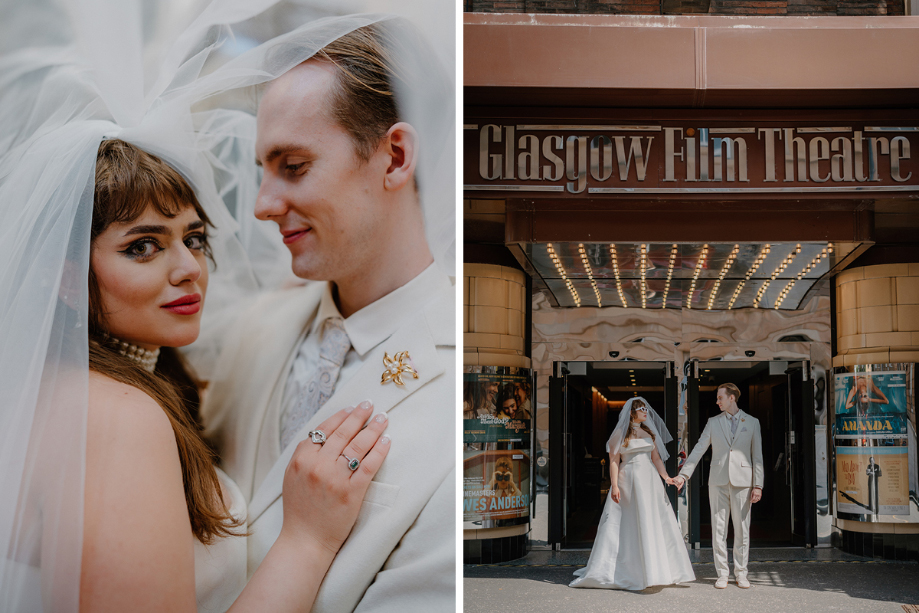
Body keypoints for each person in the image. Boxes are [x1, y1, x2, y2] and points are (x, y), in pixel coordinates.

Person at [198, 23, 455, 612]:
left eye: (293, 166)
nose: (262, 205)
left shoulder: (455, 392)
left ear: (394, 157)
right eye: (263, 168)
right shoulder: (252, 332)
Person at [570, 397, 695, 591]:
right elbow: (614, 461)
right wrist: (614, 485)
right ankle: (628, 569)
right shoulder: (620, 433)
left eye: (646, 408)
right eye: (642, 409)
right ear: (631, 412)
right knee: (628, 522)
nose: (646, 412)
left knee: (653, 521)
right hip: (628, 479)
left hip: (650, 480)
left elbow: (656, 459)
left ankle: (657, 569)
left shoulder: (648, 432)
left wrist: (667, 477)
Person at [673, 382, 764, 589]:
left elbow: (757, 456)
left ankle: (741, 573)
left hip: (743, 482)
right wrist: (684, 475)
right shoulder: (713, 422)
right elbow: (698, 449)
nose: (717, 401)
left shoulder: (752, 422)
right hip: (718, 481)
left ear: (732, 397)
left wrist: (758, 485)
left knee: (742, 529)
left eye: (720, 397)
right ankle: (722, 573)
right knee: (719, 529)